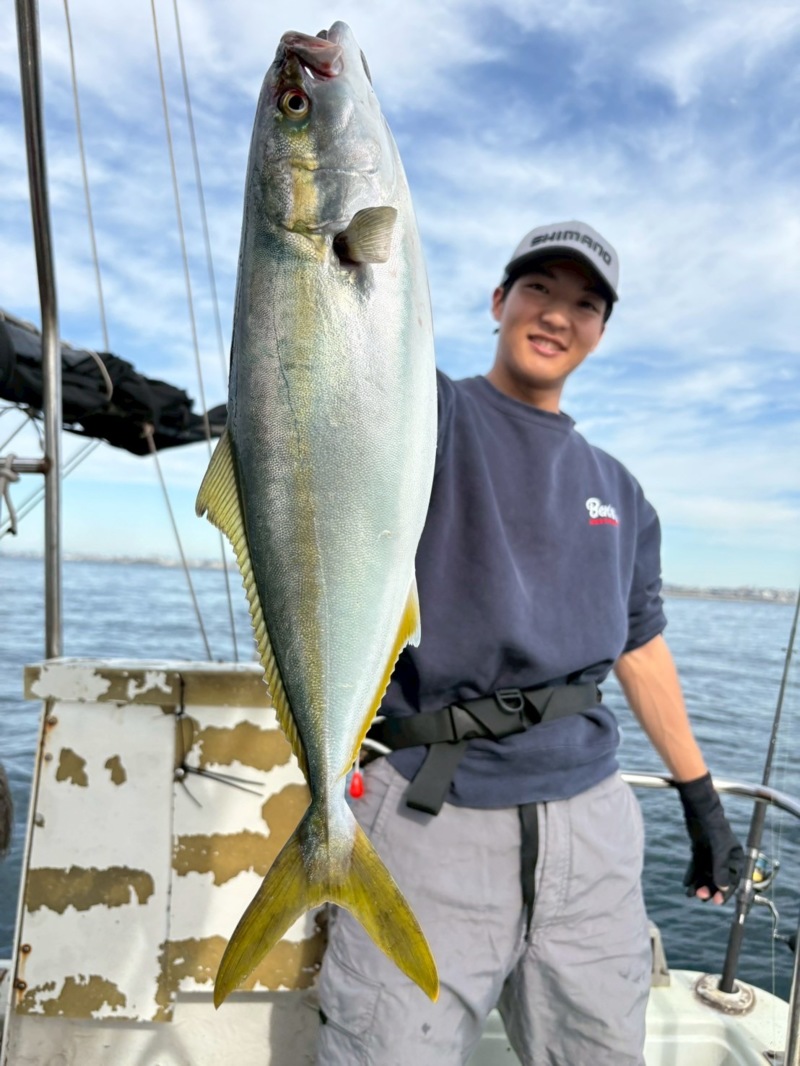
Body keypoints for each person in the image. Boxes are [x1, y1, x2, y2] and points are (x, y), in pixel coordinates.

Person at [315, 221, 744, 1066]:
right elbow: (344, 355)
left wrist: (702, 801)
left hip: (593, 824)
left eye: (584, 304)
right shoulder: (426, 413)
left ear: (601, 332)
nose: (556, 315)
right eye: (538, 289)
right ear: (498, 302)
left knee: (600, 1051)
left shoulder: (620, 490)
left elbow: (641, 649)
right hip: (429, 809)